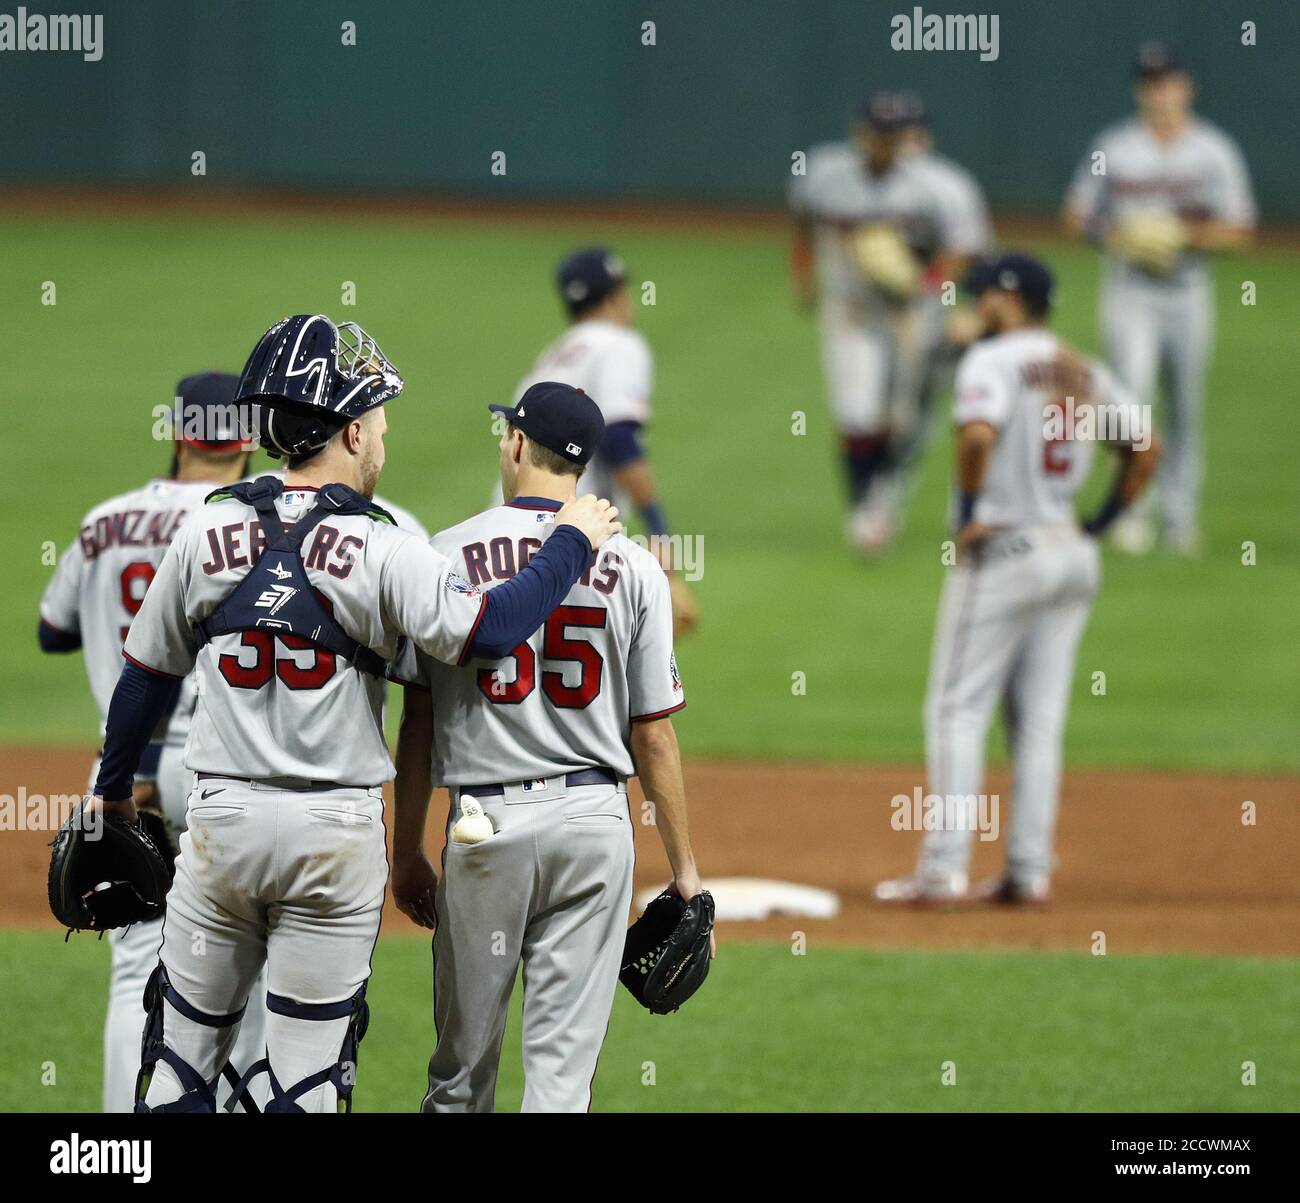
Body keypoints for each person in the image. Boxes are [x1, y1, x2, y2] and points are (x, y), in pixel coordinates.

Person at [86, 314, 621, 1112]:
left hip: (219, 826)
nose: (383, 440)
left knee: (178, 1077)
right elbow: (492, 629)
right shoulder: (383, 544)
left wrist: (113, 792)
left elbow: (142, 677)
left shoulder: (210, 525)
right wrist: (571, 540)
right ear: (348, 429)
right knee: (303, 1085)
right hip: (331, 842)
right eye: (377, 423)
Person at [391, 381, 708, 1112]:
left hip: (485, 827)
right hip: (596, 827)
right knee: (563, 1085)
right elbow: (654, 734)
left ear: (513, 444)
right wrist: (685, 871)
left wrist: (406, 848)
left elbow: (416, 722)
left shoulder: (444, 555)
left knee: (459, 1077)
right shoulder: (633, 567)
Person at [875, 255, 1159, 905]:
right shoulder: (1080, 368)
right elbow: (1147, 449)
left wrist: (972, 511)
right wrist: (1102, 521)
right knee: (1038, 723)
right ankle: (1028, 869)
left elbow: (976, 436)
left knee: (956, 708)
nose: (972, 307)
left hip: (1004, 550)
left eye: (982, 296)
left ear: (1010, 299)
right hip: (1070, 553)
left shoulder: (991, 361)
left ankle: (942, 867)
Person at [38, 372, 268, 1112]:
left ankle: (119, 1140)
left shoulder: (104, 520)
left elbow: (53, 629)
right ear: (246, 439)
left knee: (137, 958)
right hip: (219, 768)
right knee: (250, 958)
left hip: (122, 770)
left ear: (177, 431)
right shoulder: (245, 523)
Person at [1063, 42, 1255, 555]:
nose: (1160, 92)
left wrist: (1180, 237)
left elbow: (1239, 231)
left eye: (1168, 81)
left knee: (1184, 407)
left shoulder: (1213, 150)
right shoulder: (1114, 146)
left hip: (1188, 293)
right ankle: (1130, 512)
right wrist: (1119, 234)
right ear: (1139, 89)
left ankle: (1179, 520)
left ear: (1186, 87)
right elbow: (1077, 214)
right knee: (1131, 403)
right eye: (1151, 82)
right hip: (1130, 291)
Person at [790, 91, 967, 555]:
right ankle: (865, 508)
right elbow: (804, 220)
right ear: (860, 133)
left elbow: (962, 250)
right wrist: (804, 273)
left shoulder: (938, 185)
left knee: (906, 422)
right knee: (856, 413)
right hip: (850, 313)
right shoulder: (825, 173)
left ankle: (884, 495)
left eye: (895, 134)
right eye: (878, 134)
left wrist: (924, 282)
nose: (886, 144)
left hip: (912, 315)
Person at [514, 247, 699, 633]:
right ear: (617, 295)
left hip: (509, 538)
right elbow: (620, 443)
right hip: (572, 539)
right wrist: (664, 548)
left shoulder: (553, 356)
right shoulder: (619, 345)